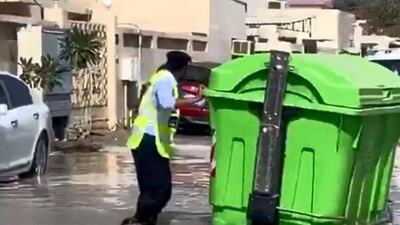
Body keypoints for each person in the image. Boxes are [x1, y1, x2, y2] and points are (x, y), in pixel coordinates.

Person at [122, 51, 201, 225]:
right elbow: (166, 103)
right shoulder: (165, 78)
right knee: (161, 190)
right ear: (183, 68)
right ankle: (138, 220)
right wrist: (195, 100)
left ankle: (144, 220)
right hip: (148, 139)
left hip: (149, 140)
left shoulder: (161, 77)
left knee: (150, 189)